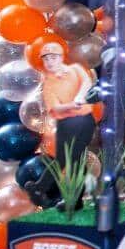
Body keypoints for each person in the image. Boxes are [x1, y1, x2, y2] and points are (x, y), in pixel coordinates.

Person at [37, 41, 98, 169]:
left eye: (53, 57)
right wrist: (72, 105)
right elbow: (55, 107)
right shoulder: (48, 83)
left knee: (76, 155)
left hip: (87, 120)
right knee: (64, 158)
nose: (49, 62)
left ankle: (74, 186)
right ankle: (42, 186)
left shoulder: (75, 69)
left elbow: (86, 81)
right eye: (46, 59)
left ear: (61, 58)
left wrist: (80, 95)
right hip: (67, 122)